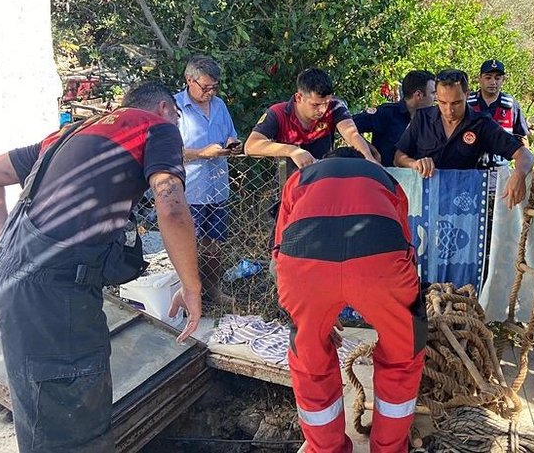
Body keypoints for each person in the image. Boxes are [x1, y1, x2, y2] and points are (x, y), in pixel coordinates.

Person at [0, 81, 202, 452]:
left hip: (14, 285)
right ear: (165, 108)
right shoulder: (156, 127)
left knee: (42, 415)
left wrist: (2, 245)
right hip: (56, 295)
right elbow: (170, 202)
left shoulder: (71, 132)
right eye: (177, 115)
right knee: (75, 425)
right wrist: (191, 287)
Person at [274, 147, 425, 453]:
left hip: (304, 268)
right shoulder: (385, 178)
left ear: (326, 161)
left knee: (310, 363)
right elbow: (406, 245)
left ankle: (325, 449)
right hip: (380, 265)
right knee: (405, 354)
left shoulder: (300, 178)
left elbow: (278, 253)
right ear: (361, 164)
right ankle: (389, 448)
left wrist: (311, 317)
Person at [394, 69, 534, 209]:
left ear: (466, 95)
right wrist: (415, 164)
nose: (449, 110)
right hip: (423, 203)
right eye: (443, 102)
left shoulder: (481, 124)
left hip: (464, 208)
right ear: (436, 96)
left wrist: (519, 175)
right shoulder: (422, 118)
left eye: (456, 103)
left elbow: (525, 155)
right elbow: (398, 157)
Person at [176, 55, 239, 306]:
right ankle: (189, 296)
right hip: (191, 191)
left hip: (218, 187)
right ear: (189, 80)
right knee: (189, 248)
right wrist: (202, 153)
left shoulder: (220, 105)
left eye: (215, 87)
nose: (210, 92)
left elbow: (230, 135)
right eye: (205, 87)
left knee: (215, 245)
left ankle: (213, 291)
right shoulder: (174, 109)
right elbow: (168, 152)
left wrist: (232, 145)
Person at [244, 68, 377, 173]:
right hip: (291, 183)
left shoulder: (335, 106)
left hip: (324, 177)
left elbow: (351, 133)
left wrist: (368, 158)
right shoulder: (277, 113)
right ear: (299, 97)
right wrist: (292, 151)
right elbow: (250, 146)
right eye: (315, 105)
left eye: (326, 103)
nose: (322, 110)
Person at [352, 70, 436, 166]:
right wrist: (369, 151)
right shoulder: (386, 113)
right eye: (433, 93)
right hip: (384, 177)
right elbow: (348, 126)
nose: (436, 98)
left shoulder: (432, 119)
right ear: (418, 95)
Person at [468, 59, 528, 167]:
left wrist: (524, 169)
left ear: (503, 80)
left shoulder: (511, 105)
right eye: (488, 77)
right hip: (471, 166)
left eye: (497, 78)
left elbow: (522, 137)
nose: (493, 82)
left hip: (501, 167)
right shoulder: (467, 103)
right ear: (480, 79)